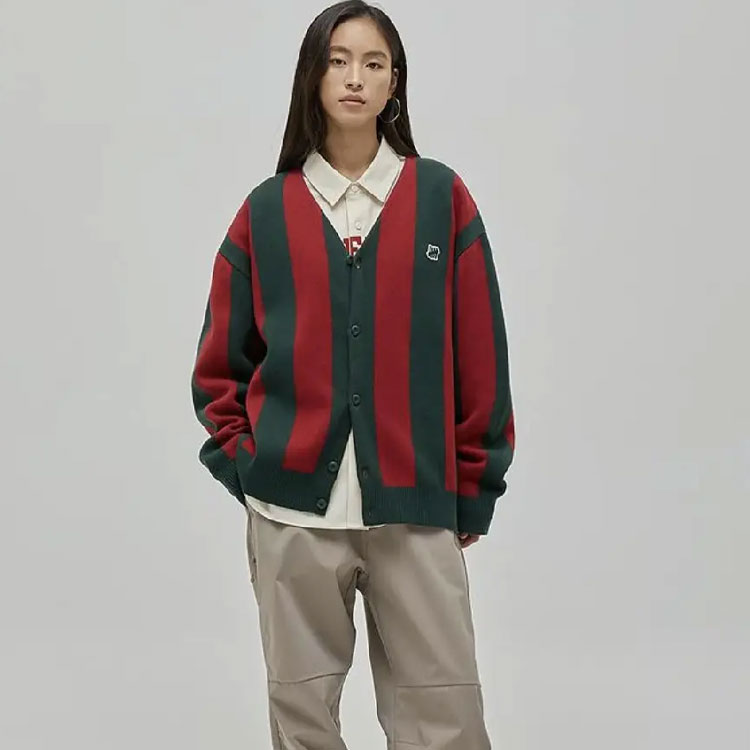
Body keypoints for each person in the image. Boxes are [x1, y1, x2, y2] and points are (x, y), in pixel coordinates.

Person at [190, 1, 515, 747]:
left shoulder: (441, 200)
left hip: (417, 508)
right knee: (302, 722)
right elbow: (218, 368)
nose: (355, 78)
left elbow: (482, 356)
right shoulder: (265, 212)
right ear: (313, 76)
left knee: (446, 721)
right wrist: (251, 470)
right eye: (338, 61)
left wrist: (473, 486)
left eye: (374, 63)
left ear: (395, 83)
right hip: (291, 518)